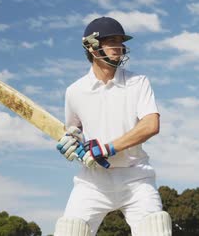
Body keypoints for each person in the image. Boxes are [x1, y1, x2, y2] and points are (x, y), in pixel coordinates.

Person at [53, 17, 172, 236]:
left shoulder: (138, 82)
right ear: (91, 46)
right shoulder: (75, 91)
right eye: (111, 41)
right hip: (93, 182)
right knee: (70, 231)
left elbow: (150, 124)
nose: (118, 48)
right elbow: (74, 132)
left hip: (136, 178)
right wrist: (71, 145)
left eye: (120, 42)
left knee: (155, 229)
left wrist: (108, 148)